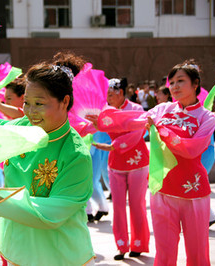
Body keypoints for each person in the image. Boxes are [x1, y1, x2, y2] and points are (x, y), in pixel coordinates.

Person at [0, 52, 95, 266]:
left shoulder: (76, 154)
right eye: (27, 103)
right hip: (20, 250)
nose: (30, 112)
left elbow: (52, 213)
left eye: (39, 104)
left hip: (61, 255)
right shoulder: (22, 127)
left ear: (64, 101)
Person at [93, 59, 215, 265]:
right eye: (172, 82)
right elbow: (133, 119)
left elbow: (191, 149)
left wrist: (163, 130)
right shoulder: (162, 109)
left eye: (180, 81)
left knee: (197, 253)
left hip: (193, 192)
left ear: (195, 84)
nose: (174, 86)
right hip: (162, 190)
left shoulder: (206, 117)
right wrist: (103, 120)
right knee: (165, 253)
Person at [89, 77, 150, 260]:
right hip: (116, 162)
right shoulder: (106, 111)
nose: (108, 98)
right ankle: (121, 245)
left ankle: (139, 243)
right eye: (106, 95)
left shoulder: (137, 109)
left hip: (137, 161)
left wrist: (114, 146)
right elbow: (100, 126)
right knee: (118, 205)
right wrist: (94, 124)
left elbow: (138, 132)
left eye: (110, 94)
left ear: (120, 93)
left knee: (137, 204)